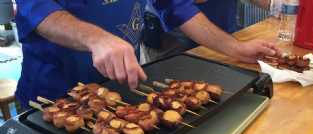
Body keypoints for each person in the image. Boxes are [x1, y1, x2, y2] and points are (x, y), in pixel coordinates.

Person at [15, 0, 279, 108]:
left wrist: (235, 48)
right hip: (53, 94)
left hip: (120, 90)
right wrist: (95, 39)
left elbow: (177, 6)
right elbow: (35, 8)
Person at [142, 0, 280, 63]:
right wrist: (237, 48)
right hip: (176, 39)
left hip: (225, 32)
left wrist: (276, 5)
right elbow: (177, 8)